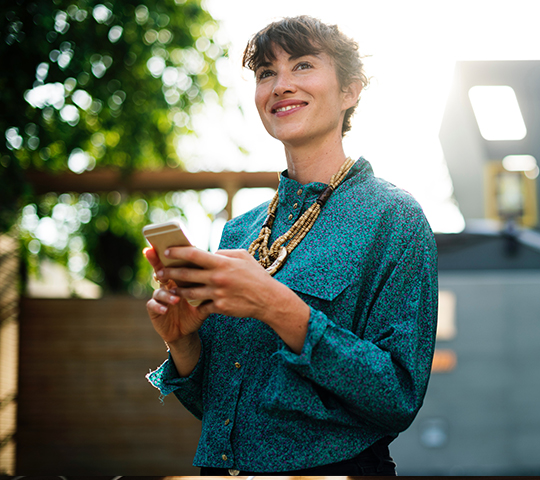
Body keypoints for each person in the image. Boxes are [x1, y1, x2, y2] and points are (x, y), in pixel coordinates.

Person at [145, 15, 438, 476]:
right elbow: (219, 411)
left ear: (350, 91)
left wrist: (276, 305)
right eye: (266, 72)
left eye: (302, 65)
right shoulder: (238, 233)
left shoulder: (394, 218)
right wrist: (182, 342)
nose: (280, 85)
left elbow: (398, 397)